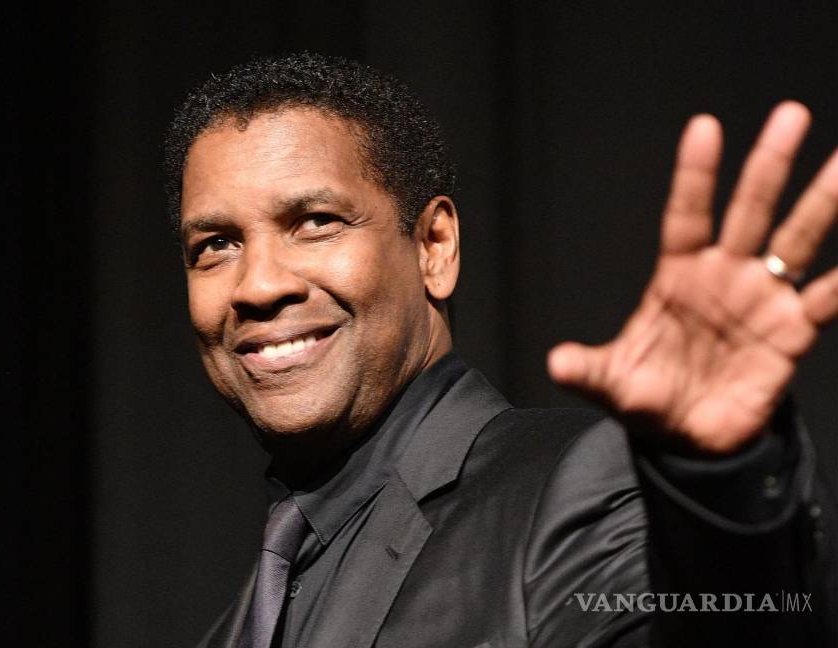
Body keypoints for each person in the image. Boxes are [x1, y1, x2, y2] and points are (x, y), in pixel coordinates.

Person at [162, 53, 837, 647]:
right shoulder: (237, 626)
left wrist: (719, 481)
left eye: (315, 223)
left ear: (435, 248)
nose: (258, 285)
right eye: (215, 245)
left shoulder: (579, 489)